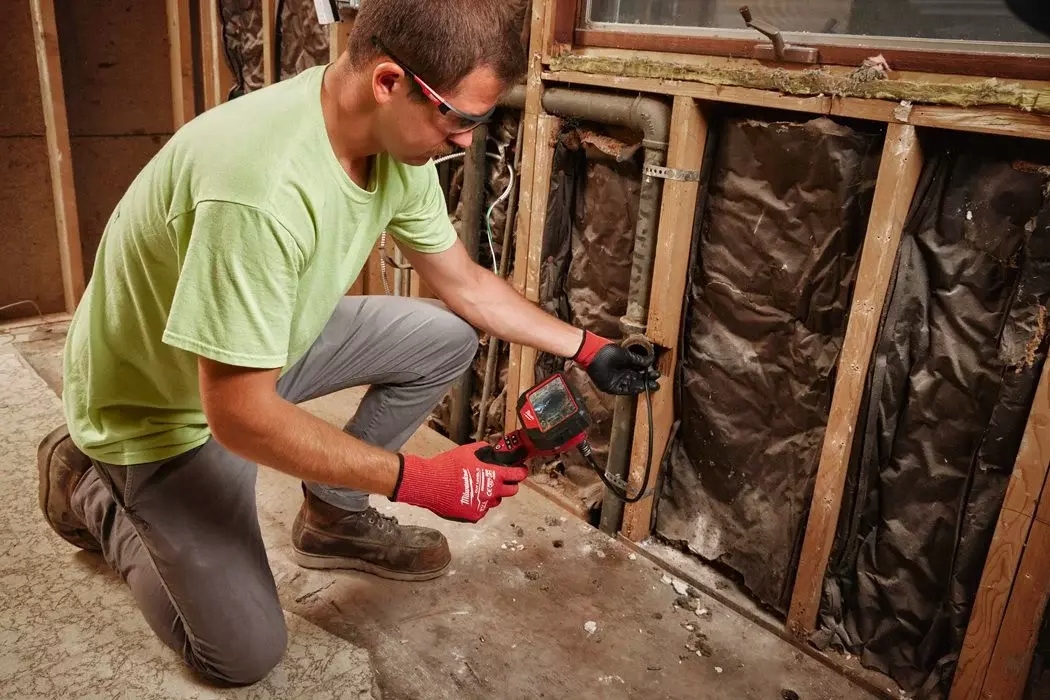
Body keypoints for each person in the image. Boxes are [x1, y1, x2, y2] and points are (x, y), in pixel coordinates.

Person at [36, 0, 658, 687]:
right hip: (161, 409)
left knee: (444, 336)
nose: (464, 141)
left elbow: (466, 286)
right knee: (241, 654)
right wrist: (418, 479)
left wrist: (587, 348)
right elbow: (237, 414)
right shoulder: (258, 190)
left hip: (259, 349)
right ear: (389, 81)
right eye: (460, 118)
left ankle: (334, 512)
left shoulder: (390, 146)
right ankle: (90, 485)